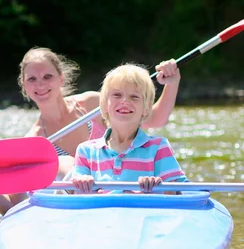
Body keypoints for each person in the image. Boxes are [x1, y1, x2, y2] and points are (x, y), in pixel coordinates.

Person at [0, 47, 182, 215]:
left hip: (133, 191)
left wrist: (171, 84)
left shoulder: (91, 104)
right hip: (84, 202)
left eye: (47, 76)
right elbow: (17, 204)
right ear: (24, 85)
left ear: (61, 78)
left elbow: (153, 118)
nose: (40, 84)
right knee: (61, 165)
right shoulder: (33, 140)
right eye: (32, 79)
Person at [71, 63, 188, 194]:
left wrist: (156, 189)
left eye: (134, 97)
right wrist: (83, 184)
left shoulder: (159, 147)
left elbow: (183, 192)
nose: (125, 101)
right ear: (104, 105)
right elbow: (75, 196)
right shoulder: (86, 151)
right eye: (117, 95)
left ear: (146, 108)